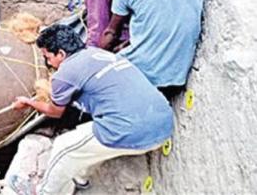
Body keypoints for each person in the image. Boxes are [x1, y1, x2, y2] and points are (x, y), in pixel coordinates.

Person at [10, 24, 173, 195]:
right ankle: (80, 178)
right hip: (163, 123)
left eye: (48, 57)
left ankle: (43, 191)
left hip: (134, 131)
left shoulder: (64, 74)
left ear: (61, 54)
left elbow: (55, 112)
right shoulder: (98, 53)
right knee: (86, 137)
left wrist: (28, 102)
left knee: (63, 146)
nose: (48, 62)